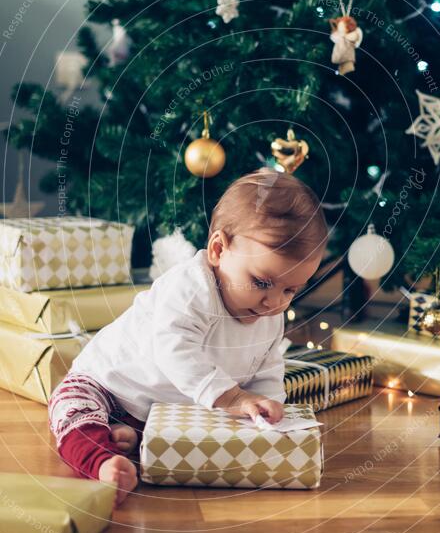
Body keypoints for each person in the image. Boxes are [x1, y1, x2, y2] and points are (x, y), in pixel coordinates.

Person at [48, 168, 328, 504]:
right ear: (218, 250)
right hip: (107, 385)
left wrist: (266, 410)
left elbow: (266, 371)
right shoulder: (190, 288)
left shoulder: (270, 314)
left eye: (291, 290)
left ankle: (132, 434)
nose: (275, 301)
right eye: (262, 282)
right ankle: (103, 461)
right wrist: (234, 399)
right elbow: (173, 348)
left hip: (164, 409)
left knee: (178, 434)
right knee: (71, 406)